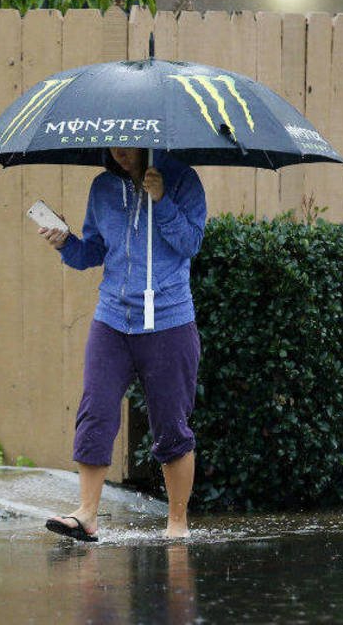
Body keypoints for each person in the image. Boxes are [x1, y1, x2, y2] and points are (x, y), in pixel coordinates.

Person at [40, 147, 207, 541]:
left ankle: (177, 523)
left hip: (168, 320)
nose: (118, 152)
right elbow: (92, 253)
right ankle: (86, 514)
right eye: (113, 143)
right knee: (95, 410)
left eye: (127, 144)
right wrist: (65, 241)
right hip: (113, 319)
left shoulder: (184, 180)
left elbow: (191, 243)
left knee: (171, 425)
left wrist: (162, 200)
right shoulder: (102, 188)